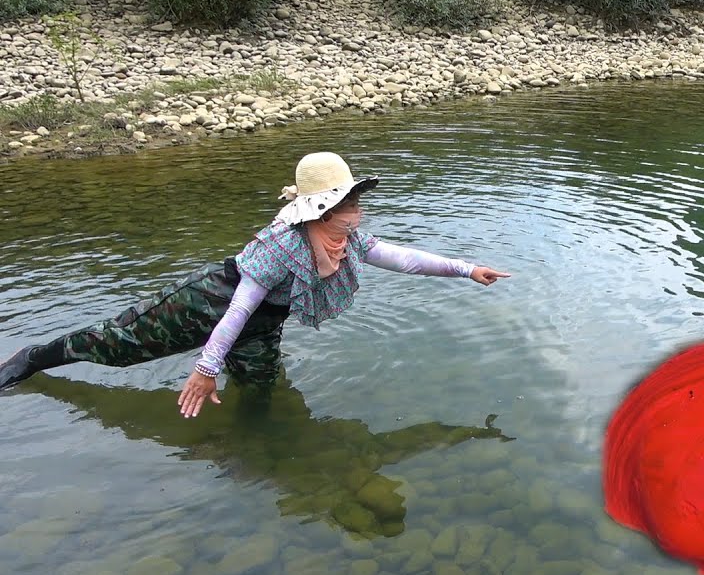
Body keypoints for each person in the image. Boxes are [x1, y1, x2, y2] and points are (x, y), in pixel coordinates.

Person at [0, 151, 510, 418]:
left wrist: (467, 269)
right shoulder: (280, 246)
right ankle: (34, 357)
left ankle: (249, 452)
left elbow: (404, 260)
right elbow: (238, 309)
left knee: (262, 394)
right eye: (347, 204)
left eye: (355, 202)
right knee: (118, 347)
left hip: (263, 325)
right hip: (209, 302)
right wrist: (205, 369)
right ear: (321, 209)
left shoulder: (345, 236)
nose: (356, 213)